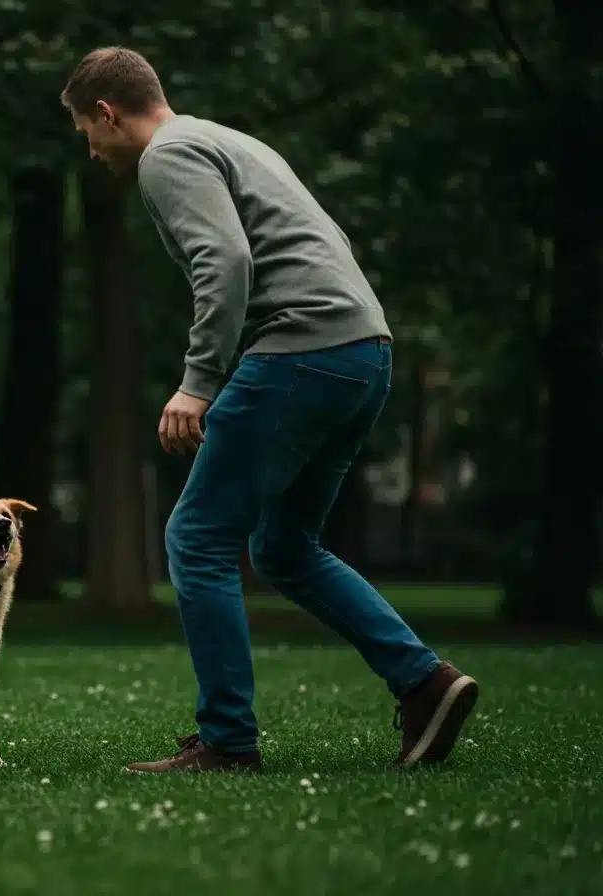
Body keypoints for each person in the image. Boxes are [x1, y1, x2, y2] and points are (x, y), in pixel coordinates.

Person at [60, 46, 480, 772]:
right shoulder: (228, 139)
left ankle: (227, 739)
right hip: (363, 352)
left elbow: (225, 261)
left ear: (107, 112)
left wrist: (198, 381)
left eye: (85, 133)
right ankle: (425, 682)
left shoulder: (168, 155)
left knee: (197, 538)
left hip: (303, 352)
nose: (91, 152)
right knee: (285, 547)